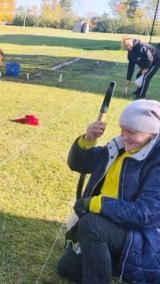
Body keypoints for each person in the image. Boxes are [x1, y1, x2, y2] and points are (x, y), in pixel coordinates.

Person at [57, 99, 160, 284]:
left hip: (144, 238)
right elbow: (79, 164)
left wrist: (96, 203)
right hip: (110, 225)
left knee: (91, 224)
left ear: (152, 134)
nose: (124, 136)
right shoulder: (119, 148)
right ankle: (111, 263)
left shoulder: (156, 162)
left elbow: (145, 214)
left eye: (132, 132)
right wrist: (88, 140)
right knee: (67, 268)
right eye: (123, 129)